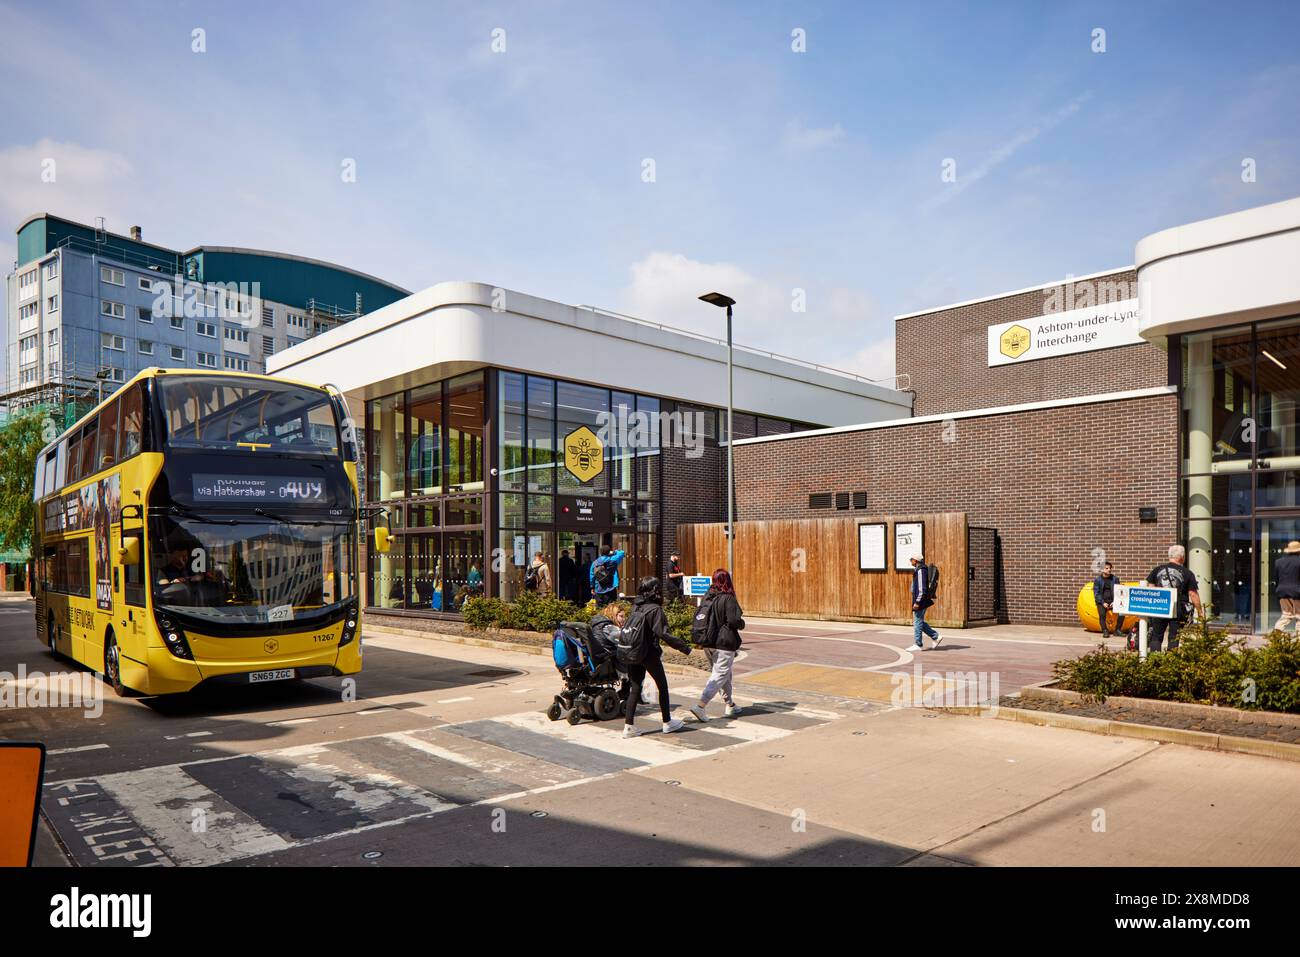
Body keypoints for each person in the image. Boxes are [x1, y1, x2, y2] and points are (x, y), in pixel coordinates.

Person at [623, 577, 692, 738]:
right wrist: (684, 647)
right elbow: (663, 633)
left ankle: (628, 726)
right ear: (655, 590)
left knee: (635, 688)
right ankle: (667, 722)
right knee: (662, 686)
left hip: (633, 652)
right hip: (649, 652)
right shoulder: (655, 609)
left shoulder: (636, 607)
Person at [689, 569, 745, 722]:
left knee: (723, 674)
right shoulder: (728, 598)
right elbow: (734, 621)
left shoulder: (709, 596)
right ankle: (700, 706)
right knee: (719, 675)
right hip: (724, 643)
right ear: (727, 581)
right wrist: (742, 623)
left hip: (708, 642)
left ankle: (730, 704)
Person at [1145, 545, 1203, 651]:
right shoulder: (1188, 573)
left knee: (1156, 637)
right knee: (1174, 638)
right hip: (1178, 609)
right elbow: (1193, 594)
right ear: (1182, 557)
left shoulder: (1157, 570)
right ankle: (1171, 663)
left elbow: (1151, 589)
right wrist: (1200, 612)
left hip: (1159, 607)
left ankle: (1155, 662)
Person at [904, 553, 942, 650]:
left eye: (911, 559)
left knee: (917, 622)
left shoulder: (921, 571)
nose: (910, 561)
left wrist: (917, 602)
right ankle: (935, 636)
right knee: (918, 621)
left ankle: (918, 644)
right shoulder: (919, 569)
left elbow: (922, 589)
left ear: (915, 560)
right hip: (920, 599)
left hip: (920, 600)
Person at [1273, 540, 1300, 632]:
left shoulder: (1278, 562)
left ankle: (1276, 636)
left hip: (1282, 591)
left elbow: (1276, 579)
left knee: (1286, 615)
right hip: (1297, 592)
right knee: (1299, 616)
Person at [1093, 561, 1121, 638]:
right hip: (1102, 601)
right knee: (1102, 614)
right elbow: (1096, 593)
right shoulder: (1098, 580)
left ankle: (1117, 630)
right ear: (1102, 570)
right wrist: (1102, 602)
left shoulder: (1115, 579)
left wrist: (1115, 601)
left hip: (1113, 601)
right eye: (1107, 568)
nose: (1109, 570)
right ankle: (1105, 630)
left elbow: (1118, 592)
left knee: (1122, 613)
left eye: (1110, 568)